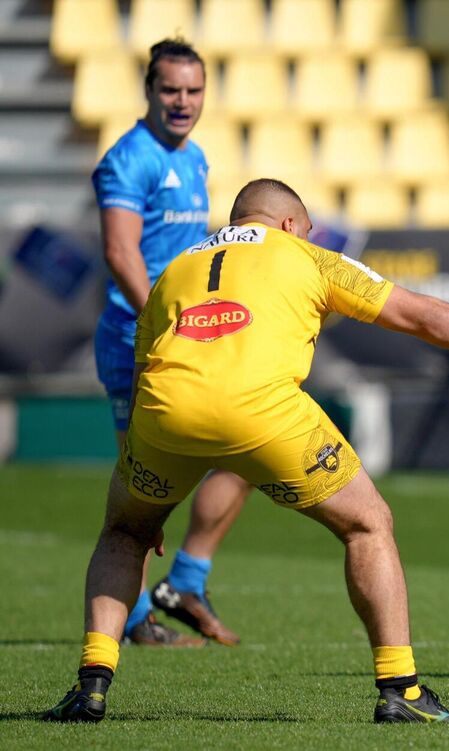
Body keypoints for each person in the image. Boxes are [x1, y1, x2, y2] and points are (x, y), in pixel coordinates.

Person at [43, 178, 449, 724]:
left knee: (124, 532)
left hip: (164, 413)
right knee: (368, 524)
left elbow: (144, 368)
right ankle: (400, 687)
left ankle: (92, 684)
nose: (309, 238)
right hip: (262, 412)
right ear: (289, 225)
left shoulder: (177, 268)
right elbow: (422, 315)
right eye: (307, 230)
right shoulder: (307, 257)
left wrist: (142, 490)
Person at [92, 37, 246, 647]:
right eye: (171, 90)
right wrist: (166, 319)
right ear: (150, 92)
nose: (183, 102)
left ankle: (186, 579)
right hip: (138, 340)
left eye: (193, 90)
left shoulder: (197, 156)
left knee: (246, 448)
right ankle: (133, 619)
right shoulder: (129, 160)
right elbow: (120, 251)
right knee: (143, 486)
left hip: (189, 335)